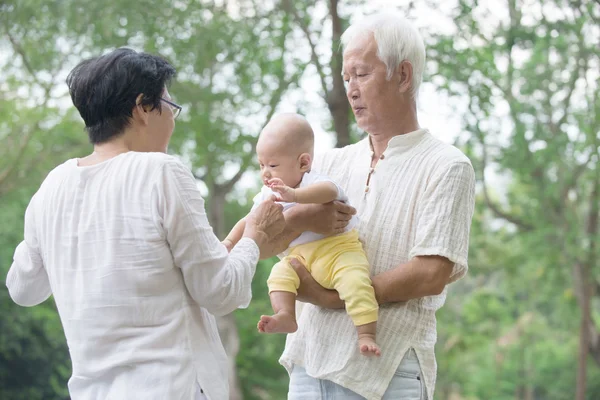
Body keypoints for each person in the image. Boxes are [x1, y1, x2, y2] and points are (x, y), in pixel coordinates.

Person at [5, 48, 286, 400]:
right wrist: (255, 238)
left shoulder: (52, 186)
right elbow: (219, 292)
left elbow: (23, 289)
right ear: (143, 108)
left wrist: (51, 227)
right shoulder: (160, 171)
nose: (172, 120)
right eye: (170, 108)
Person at [270, 12, 476, 400]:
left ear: (402, 75)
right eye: (347, 78)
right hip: (308, 366)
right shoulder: (327, 164)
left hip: (388, 372)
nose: (350, 90)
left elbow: (432, 272)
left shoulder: (447, 165)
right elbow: (266, 234)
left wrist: (333, 298)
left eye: (361, 74)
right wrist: (306, 215)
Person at [223, 113, 380, 356]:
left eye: (273, 165)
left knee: (356, 283)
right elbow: (249, 221)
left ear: (303, 163)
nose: (265, 173)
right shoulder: (268, 194)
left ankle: (366, 332)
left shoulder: (312, 181)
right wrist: (229, 242)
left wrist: (294, 197)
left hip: (339, 251)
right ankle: (286, 315)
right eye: (261, 164)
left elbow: (330, 191)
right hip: (302, 258)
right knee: (278, 275)